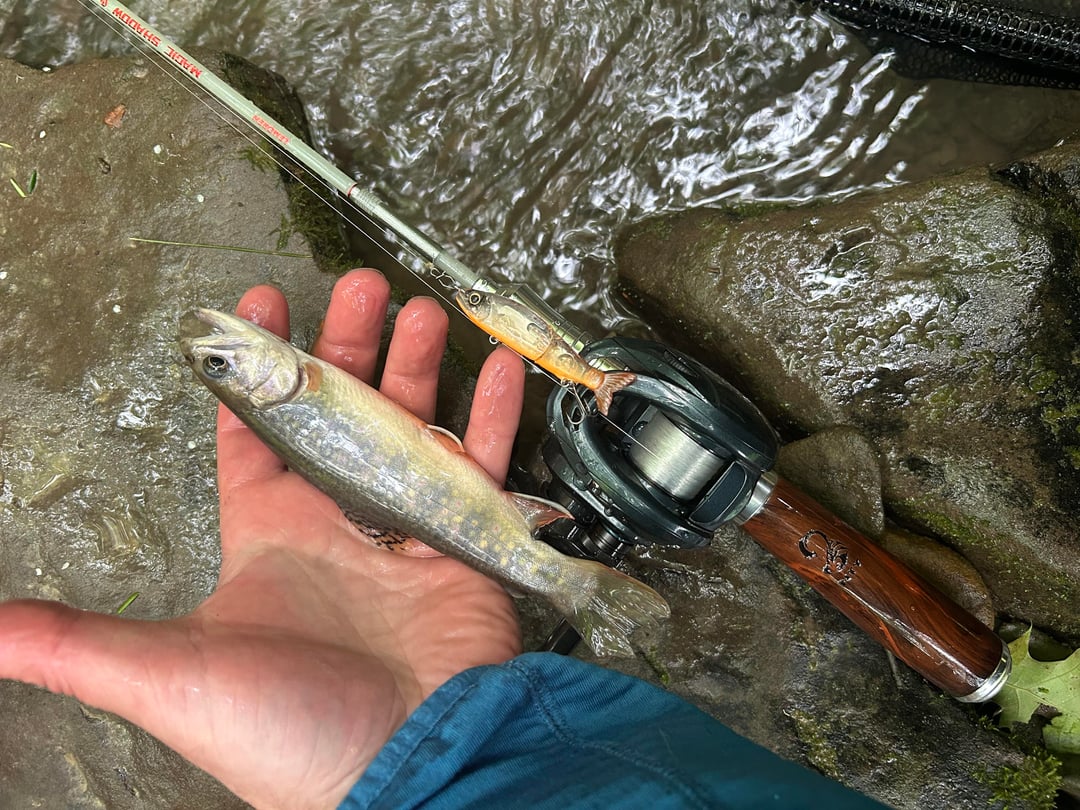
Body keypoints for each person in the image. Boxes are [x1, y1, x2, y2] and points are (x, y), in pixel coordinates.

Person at [0, 270, 883, 809]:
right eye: (222, 366)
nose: (222, 349)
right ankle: (569, 581)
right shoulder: (296, 387)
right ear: (261, 386)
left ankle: (562, 583)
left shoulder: (297, 385)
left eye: (219, 361)